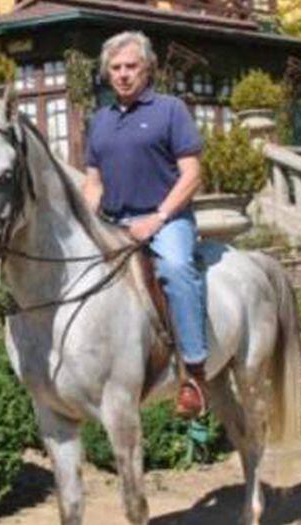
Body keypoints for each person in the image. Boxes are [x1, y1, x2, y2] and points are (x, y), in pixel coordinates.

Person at [82, 30, 208, 419]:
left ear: (147, 68)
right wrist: (87, 220)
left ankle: (194, 373)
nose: (123, 74)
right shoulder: (99, 120)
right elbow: (93, 182)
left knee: (175, 269)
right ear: (107, 73)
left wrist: (158, 218)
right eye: (115, 68)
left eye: (130, 66)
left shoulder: (170, 110)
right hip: (115, 223)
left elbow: (192, 174)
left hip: (166, 219)